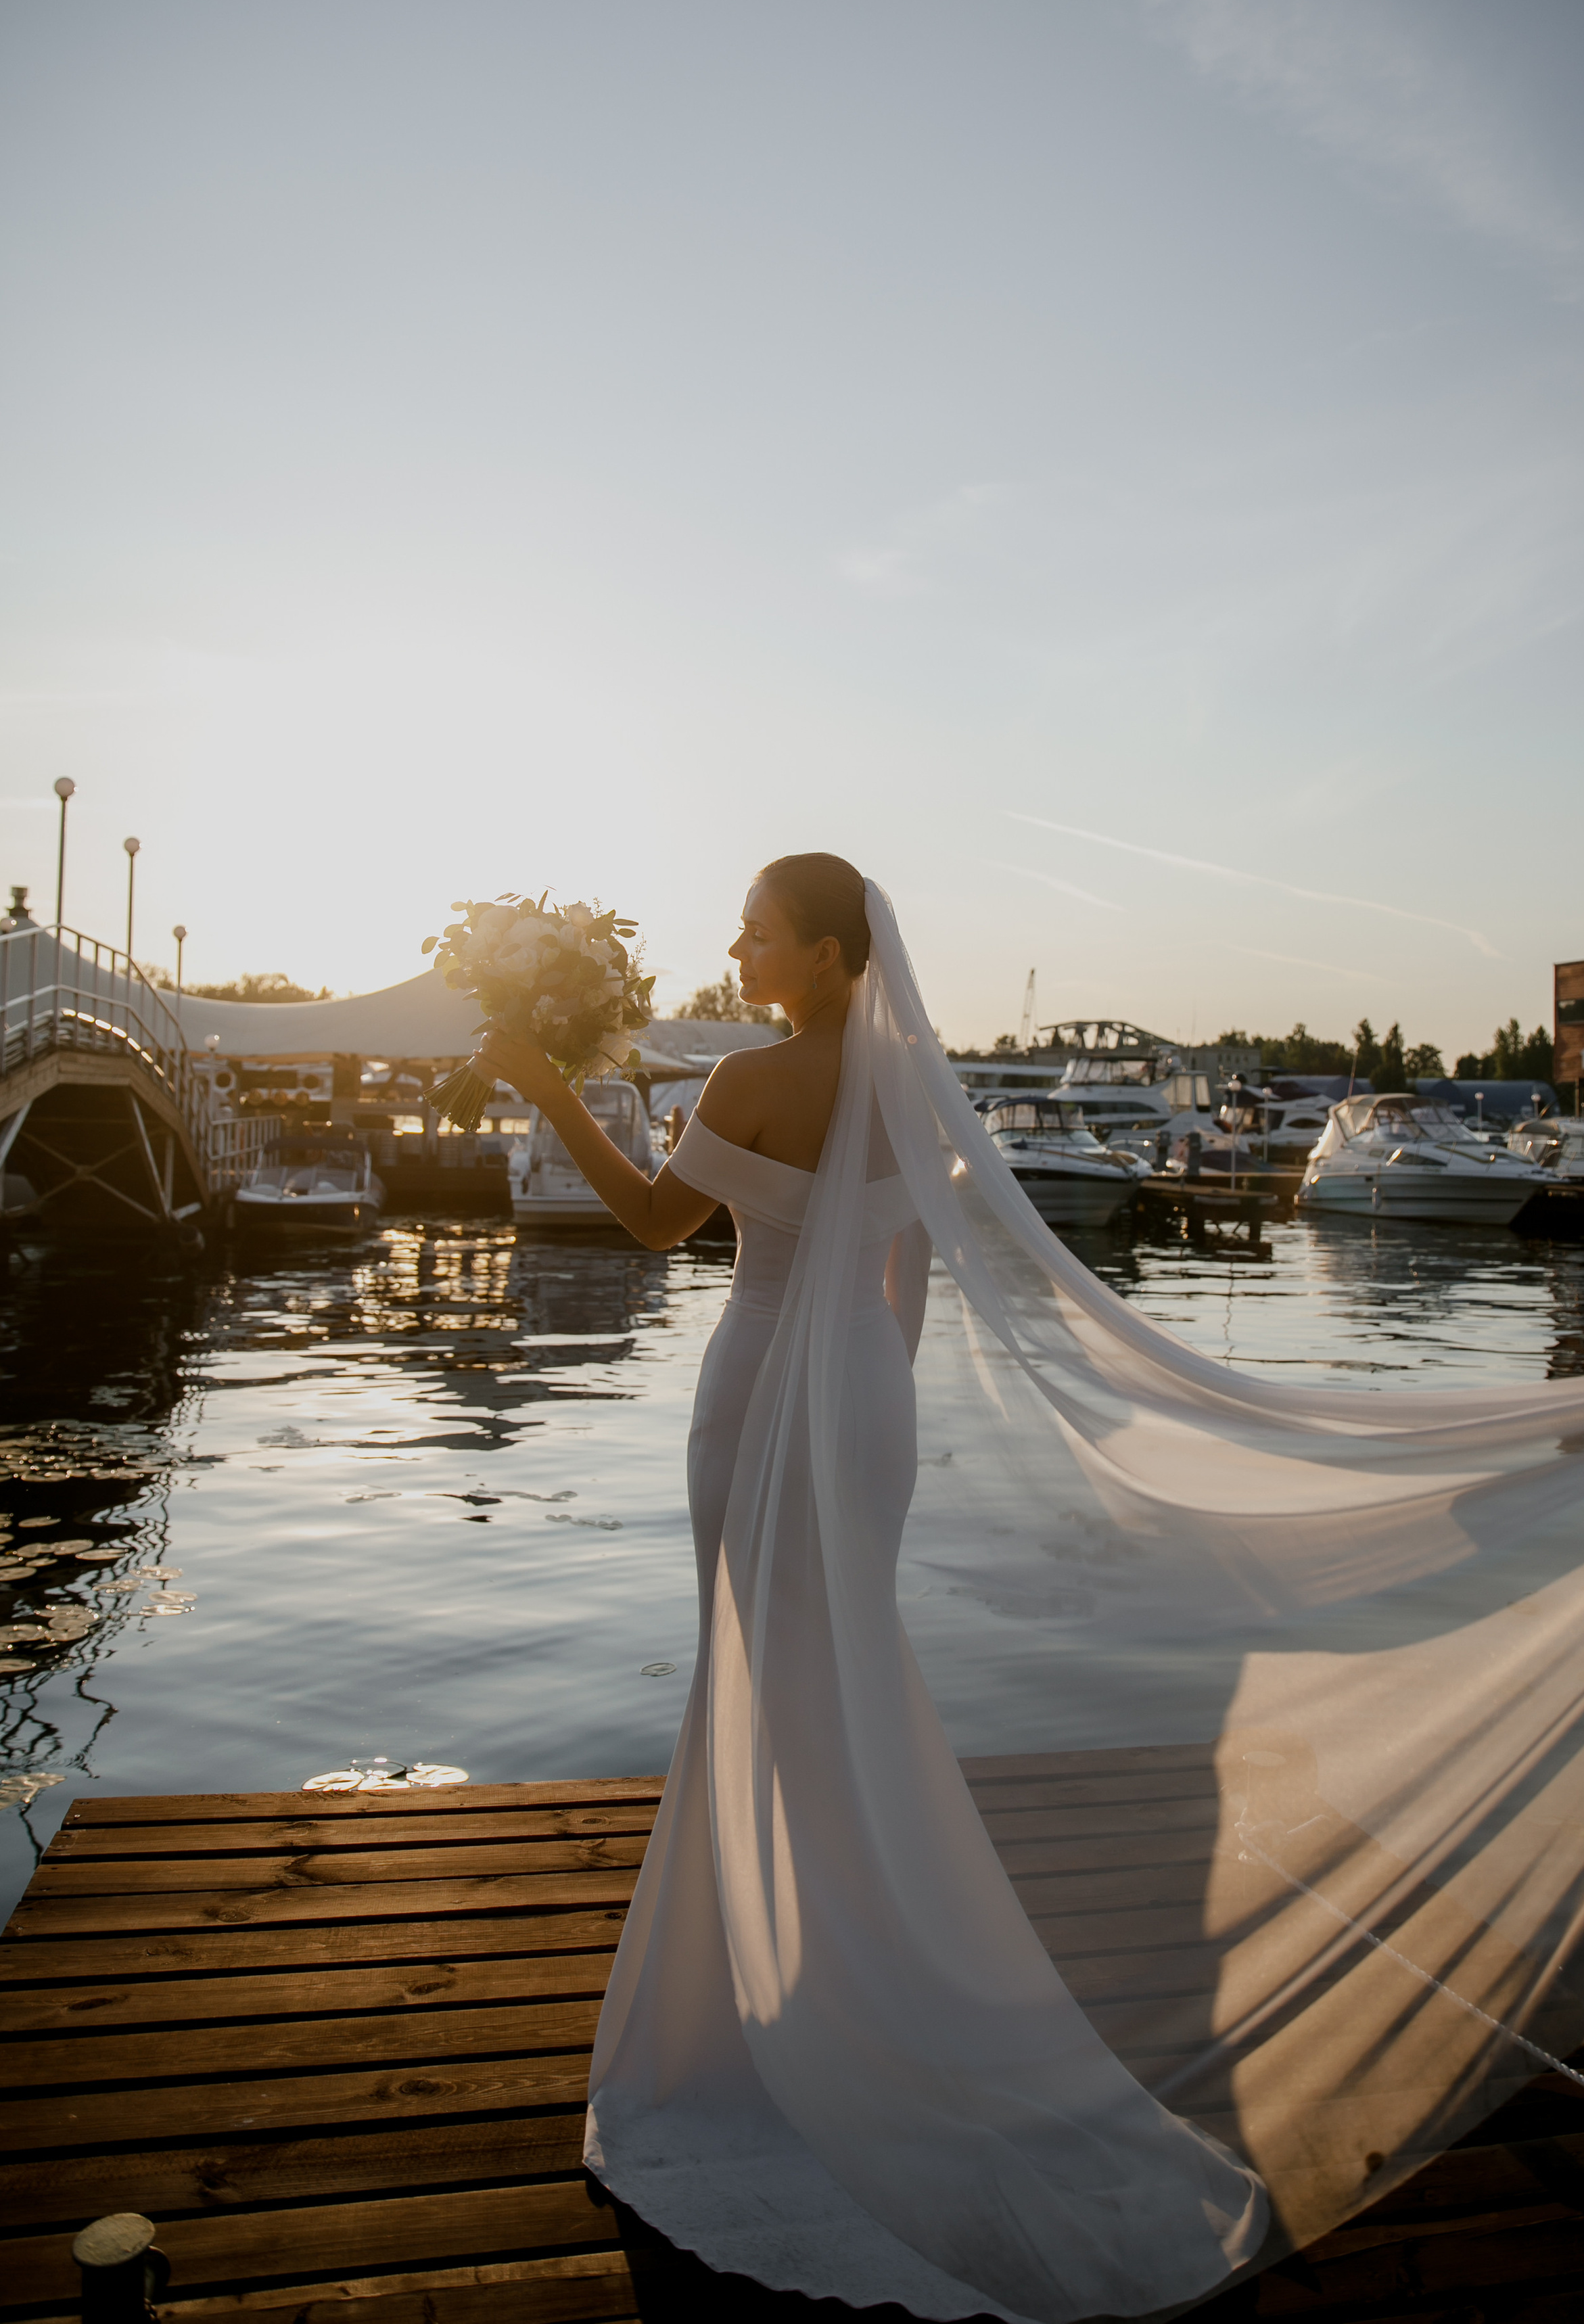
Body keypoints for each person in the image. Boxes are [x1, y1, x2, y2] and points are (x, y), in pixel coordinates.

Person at [477, 852, 1268, 2323]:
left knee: (758, 1690)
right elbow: (902, 1277)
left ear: (834, 955)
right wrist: (865, 1409)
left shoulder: (746, 1081)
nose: (738, 950)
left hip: (764, 1379)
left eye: (761, 934)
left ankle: (772, 2020)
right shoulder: (913, 1088)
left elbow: (654, 1229)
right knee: (837, 1684)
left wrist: (546, 1086)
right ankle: (853, 1984)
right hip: (860, 1397)